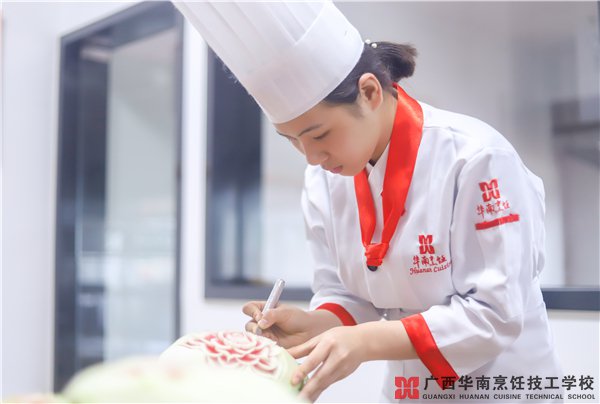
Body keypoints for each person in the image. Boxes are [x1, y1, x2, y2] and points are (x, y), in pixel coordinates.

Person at [172, 1, 563, 402]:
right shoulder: (323, 180)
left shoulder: (475, 158)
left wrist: (366, 341)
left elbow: (495, 315)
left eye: (320, 135)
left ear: (370, 92)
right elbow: (348, 295)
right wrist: (313, 323)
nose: (312, 157)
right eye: (293, 141)